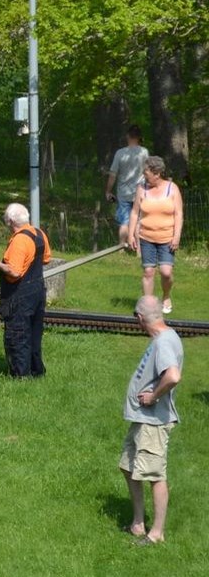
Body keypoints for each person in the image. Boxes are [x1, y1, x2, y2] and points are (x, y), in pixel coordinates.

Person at [119, 295, 183, 546]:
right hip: (142, 420)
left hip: (153, 422)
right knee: (128, 467)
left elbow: (173, 376)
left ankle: (156, 534)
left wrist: (153, 397)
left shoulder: (164, 342)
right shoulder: (162, 338)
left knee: (155, 475)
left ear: (139, 318)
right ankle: (137, 524)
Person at [0, 203, 52, 378]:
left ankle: (20, 374)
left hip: (20, 293)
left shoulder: (19, 241)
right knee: (34, 333)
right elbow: (46, 259)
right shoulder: (39, 233)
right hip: (38, 289)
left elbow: (14, 272)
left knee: (18, 333)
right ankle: (36, 370)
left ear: (10, 221)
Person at [126, 156, 182, 314]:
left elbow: (178, 214)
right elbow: (135, 212)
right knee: (148, 272)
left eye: (146, 172)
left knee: (166, 272)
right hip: (146, 238)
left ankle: (166, 296)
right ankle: (148, 307)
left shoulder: (172, 188)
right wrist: (131, 235)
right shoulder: (141, 188)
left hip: (167, 238)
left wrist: (176, 236)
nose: (144, 175)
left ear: (157, 173)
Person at [105, 125, 149, 246]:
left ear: (128, 136)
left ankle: (121, 247)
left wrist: (108, 191)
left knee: (124, 221)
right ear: (139, 137)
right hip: (139, 191)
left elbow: (113, 174)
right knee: (138, 221)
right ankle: (139, 249)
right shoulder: (144, 152)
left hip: (123, 192)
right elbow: (147, 171)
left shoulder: (120, 153)